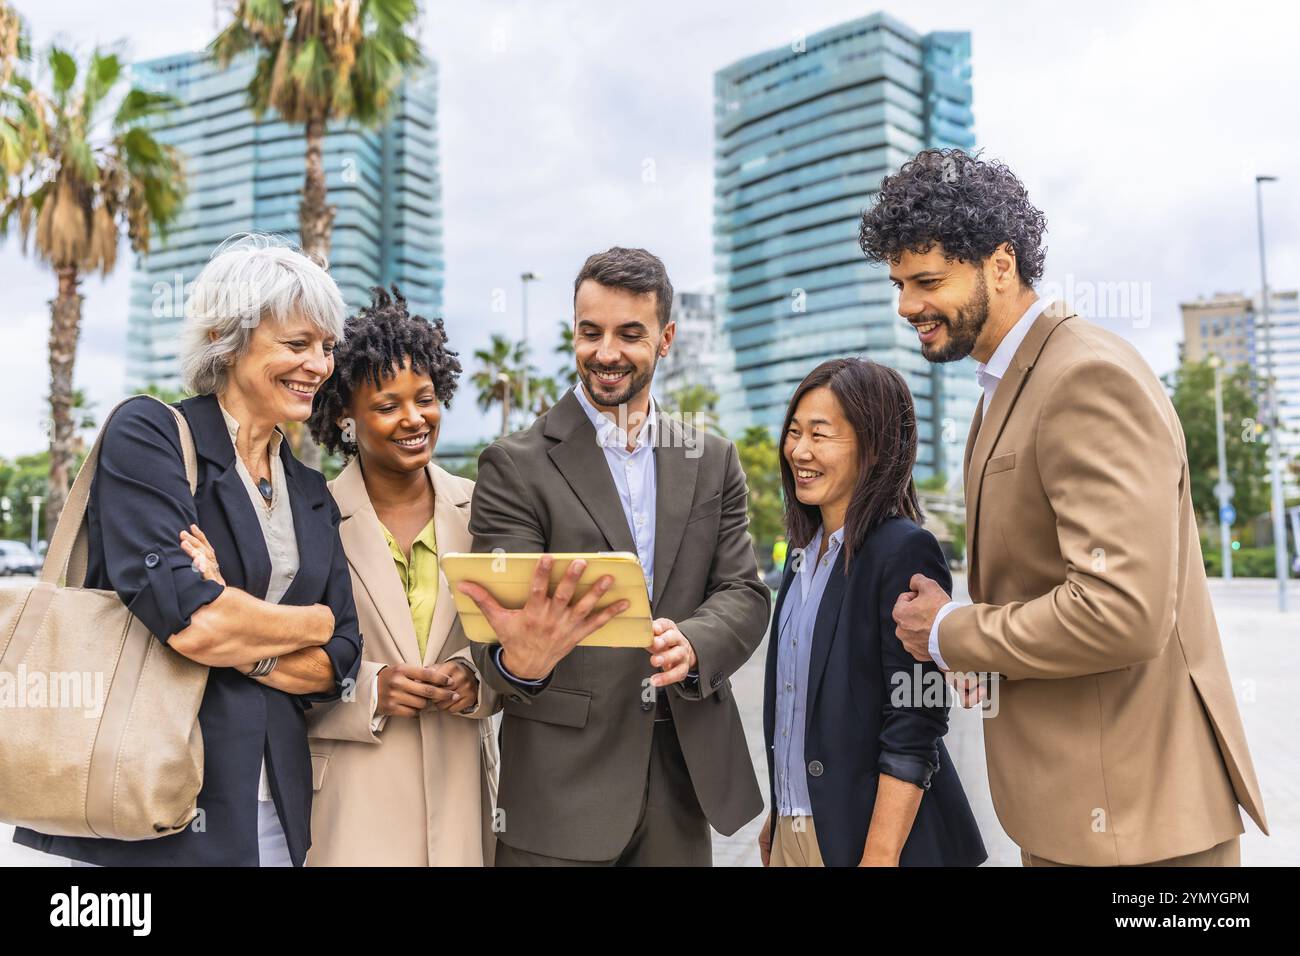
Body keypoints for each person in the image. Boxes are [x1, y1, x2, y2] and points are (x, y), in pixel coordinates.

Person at [867, 148, 1267, 866]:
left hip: (1139, 829)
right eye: (898, 283)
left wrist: (954, 630)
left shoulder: (1084, 377)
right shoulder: (1008, 385)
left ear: (1000, 263)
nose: (907, 306)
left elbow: (1121, 611)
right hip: (1079, 817)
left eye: (927, 280)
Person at [14, 234, 362, 866]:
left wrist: (237, 617)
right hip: (140, 793)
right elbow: (193, 625)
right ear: (225, 340)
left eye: (327, 346)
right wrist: (306, 622)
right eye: (296, 343)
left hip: (277, 812)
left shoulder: (311, 491)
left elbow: (340, 660)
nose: (319, 364)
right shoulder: (148, 434)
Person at [457, 246, 770, 866]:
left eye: (630, 333)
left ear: (666, 337)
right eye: (589, 332)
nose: (605, 353)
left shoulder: (711, 459)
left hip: (681, 777)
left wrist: (696, 642)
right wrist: (523, 656)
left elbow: (743, 591)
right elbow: (499, 639)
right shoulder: (514, 465)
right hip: (560, 790)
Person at [302, 287, 599, 866]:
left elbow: (521, 643)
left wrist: (476, 680)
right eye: (388, 406)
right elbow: (274, 669)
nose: (415, 419)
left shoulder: (487, 511)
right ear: (345, 417)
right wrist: (370, 691)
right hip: (348, 808)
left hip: (462, 802)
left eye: (427, 399)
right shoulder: (310, 517)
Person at [759, 358, 985, 868]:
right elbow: (798, 703)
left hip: (872, 842)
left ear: (875, 447)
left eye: (821, 434)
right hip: (799, 826)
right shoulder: (803, 556)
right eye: (794, 432)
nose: (799, 450)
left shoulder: (903, 551)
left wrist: (880, 855)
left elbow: (915, 720)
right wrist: (781, 811)